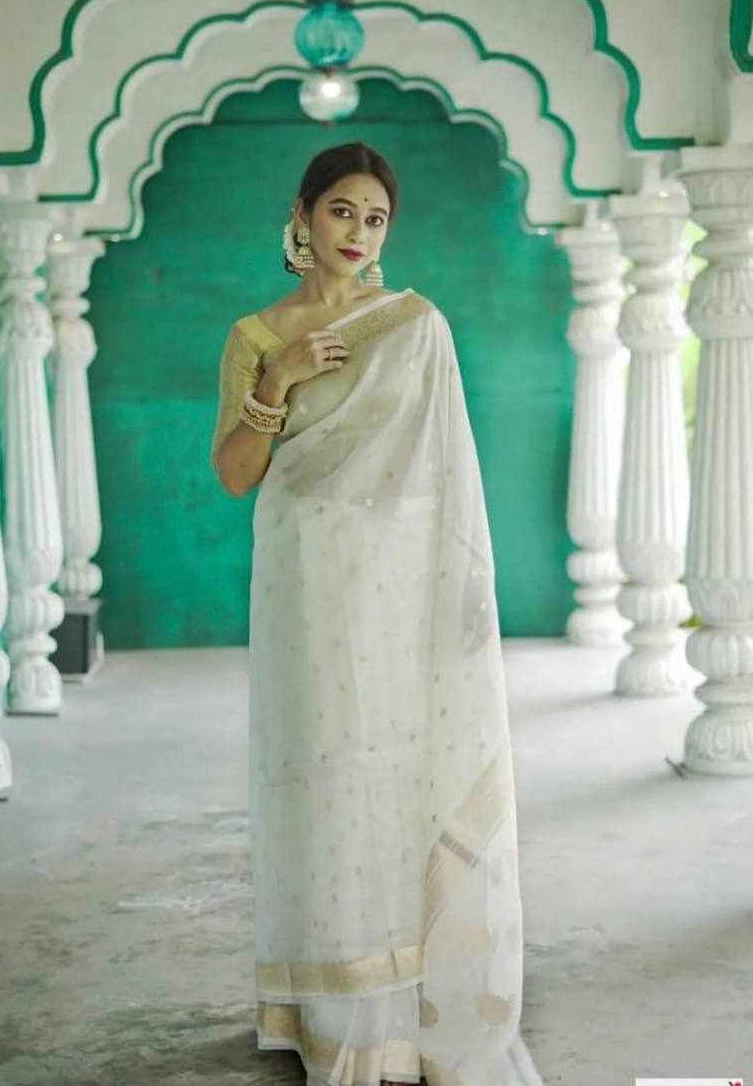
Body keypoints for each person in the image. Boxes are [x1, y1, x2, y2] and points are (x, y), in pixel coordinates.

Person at [211, 142, 542, 1086]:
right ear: (302, 216)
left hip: (394, 581)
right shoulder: (256, 334)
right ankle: (326, 1004)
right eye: (341, 211)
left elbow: (445, 470)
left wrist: (459, 590)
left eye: (375, 217)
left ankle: (398, 1011)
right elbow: (235, 473)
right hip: (302, 577)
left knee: (392, 763)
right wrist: (276, 380)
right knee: (315, 768)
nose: (357, 232)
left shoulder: (413, 325)